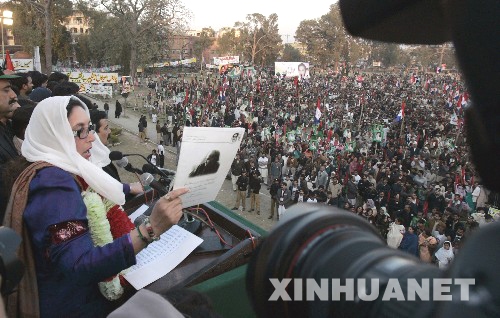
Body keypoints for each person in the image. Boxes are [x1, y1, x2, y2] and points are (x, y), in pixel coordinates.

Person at [2, 96, 188, 317]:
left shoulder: (46, 168)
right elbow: (79, 265)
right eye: (79, 130)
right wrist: (151, 228)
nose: (90, 137)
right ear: (56, 134)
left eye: (89, 127)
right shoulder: (54, 185)